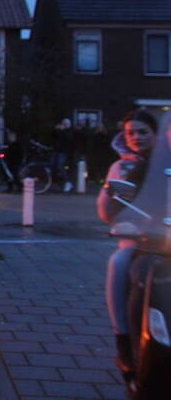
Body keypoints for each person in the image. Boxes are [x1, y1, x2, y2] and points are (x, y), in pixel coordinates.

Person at [96, 108, 158, 389]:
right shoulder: (121, 167)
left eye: (142, 132)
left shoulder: (166, 163)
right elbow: (107, 212)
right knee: (119, 263)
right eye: (131, 133)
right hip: (138, 241)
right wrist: (113, 198)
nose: (136, 138)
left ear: (156, 135)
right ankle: (123, 340)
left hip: (167, 237)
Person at [53, 118, 73, 192]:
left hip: (64, 152)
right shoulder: (60, 131)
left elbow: (68, 139)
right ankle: (56, 183)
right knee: (53, 165)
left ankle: (68, 182)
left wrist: (62, 130)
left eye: (66, 124)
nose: (64, 125)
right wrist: (56, 130)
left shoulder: (69, 131)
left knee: (61, 167)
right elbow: (54, 137)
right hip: (57, 151)